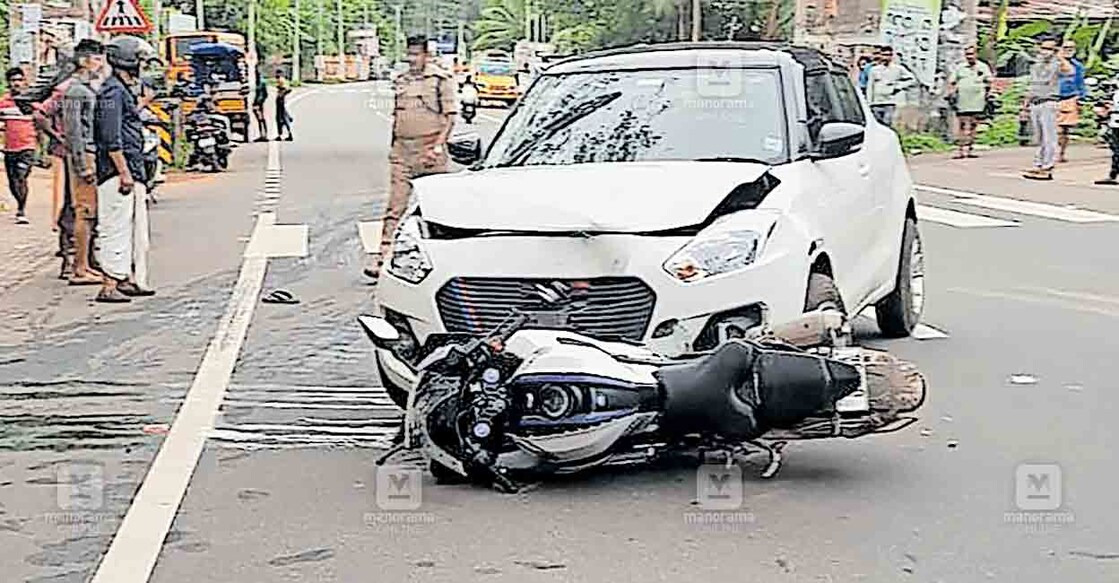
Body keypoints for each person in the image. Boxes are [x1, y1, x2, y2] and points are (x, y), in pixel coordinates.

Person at [364, 35, 457, 282]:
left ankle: (442, 261)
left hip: (430, 151)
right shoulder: (402, 80)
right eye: (409, 54)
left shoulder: (440, 79)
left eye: (417, 54)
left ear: (427, 55)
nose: (412, 59)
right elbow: (397, 116)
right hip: (402, 152)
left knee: (437, 209)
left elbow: (449, 117)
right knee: (395, 206)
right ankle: (382, 258)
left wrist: (438, 147)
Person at [94, 35, 156, 303]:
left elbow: (127, 120)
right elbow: (110, 136)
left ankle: (128, 279)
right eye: (140, 60)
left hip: (132, 167)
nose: (142, 65)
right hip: (117, 173)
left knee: (134, 229)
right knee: (115, 227)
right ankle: (109, 284)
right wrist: (124, 172)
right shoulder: (111, 92)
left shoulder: (121, 89)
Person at [62, 39, 106, 286]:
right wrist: (82, 165)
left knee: (91, 213)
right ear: (83, 61)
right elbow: (74, 132)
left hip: (90, 152)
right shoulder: (75, 91)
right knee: (84, 212)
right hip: (84, 155)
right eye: (96, 59)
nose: (100, 64)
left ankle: (87, 263)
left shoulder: (87, 88)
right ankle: (80, 268)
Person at [1022, 39, 1072, 181]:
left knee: (1049, 137)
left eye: (1049, 49)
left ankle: (1047, 167)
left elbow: (1070, 71)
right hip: (1035, 103)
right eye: (1043, 48)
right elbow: (1031, 86)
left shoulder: (1056, 64)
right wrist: (1025, 106)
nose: (1045, 51)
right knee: (1039, 137)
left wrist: (1060, 56)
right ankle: (1038, 164)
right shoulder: (1036, 65)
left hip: (1049, 102)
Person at [1, 67, 37, 224]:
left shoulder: (32, 101)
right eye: (13, 80)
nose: (16, 83)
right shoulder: (3, 102)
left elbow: (40, 122)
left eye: (19, 80)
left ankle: (22, 210)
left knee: (21, 176)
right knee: (13, 181)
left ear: (24, 82)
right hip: (9, 147)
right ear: (9, 83)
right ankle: (19, 204)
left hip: (28, 146)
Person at [947, 46, 993, 159]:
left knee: (973, 125)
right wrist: (951, 94)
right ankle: (961, 150)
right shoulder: (960, 67)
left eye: (971, 54)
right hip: (962, 100)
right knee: (962, 125)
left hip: (978, 100)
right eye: (967, 54)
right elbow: (952, 82)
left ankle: (970, 149)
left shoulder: (983, 67)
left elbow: (990, 82)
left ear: (976, 55)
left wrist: (989, 94)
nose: (969, 57)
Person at [865, 46, 915, 128]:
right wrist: (869, 102)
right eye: (884, 55)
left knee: (887, 122)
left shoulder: (898, 69)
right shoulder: (874, 70)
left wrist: (898, 86)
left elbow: (912, 79)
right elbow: (870, 86)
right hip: (876, 101)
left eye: (888, 55)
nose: (885, 57)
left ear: (891, 56)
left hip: (890, 100)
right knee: (877, 123)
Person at [1057, 40, 1087, 163]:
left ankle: (1061, 153)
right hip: (1053, 99)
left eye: (1071, 48)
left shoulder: (1078, 66)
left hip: (1070, 98)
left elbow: (1080, 83)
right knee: (1055, 129)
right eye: (1066, 47)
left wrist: (1081, 99)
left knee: (1064, 129)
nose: (1068, 50)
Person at [1093, 79, 1119, 185]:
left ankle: (1113, 175)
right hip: (1115, 123)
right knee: (1116, 151)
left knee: (1117, 152)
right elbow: (1100, 106)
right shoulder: (1115, 93)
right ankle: (1112, 175)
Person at [274, 71, 293, 141]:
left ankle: (288, 134)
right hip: (280, 100)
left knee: (282, 118)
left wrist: (282, 94)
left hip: (280, 101)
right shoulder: (281, 80)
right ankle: (281, 134)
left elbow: (288, 89)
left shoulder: (281, 80)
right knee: (280, 118)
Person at [252, 68, 269, 141]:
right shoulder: (258, 82)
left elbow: (265, 94)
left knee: (261, 118)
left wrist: (260, 101)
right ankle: (262, 134)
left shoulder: (262, 82)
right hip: (257, 102)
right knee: (259, 119)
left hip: (259, 102)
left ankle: (264, 135)